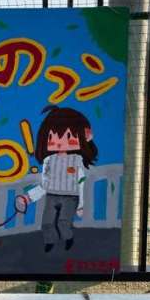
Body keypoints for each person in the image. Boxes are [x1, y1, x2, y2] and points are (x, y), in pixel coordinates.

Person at [19, 105, 98, 252]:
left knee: (63, 222)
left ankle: (68, 238)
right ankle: (50, 241)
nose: (59, 142)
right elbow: (45, 184)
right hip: (52, 195)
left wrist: (81, 204)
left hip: (70, 197)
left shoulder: (77, 160)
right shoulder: (49, 160)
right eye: (52, 137)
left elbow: (81, 182)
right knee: (47, 223)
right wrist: (28, 198)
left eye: (68, 136)